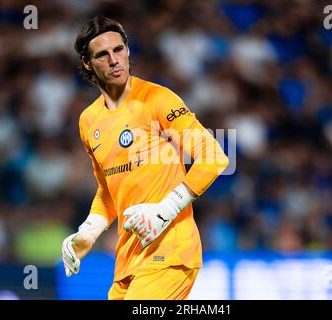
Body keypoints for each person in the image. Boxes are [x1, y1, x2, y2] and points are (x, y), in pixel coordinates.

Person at [62, 16, 229, 300]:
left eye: (119, 49)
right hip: (128, 258)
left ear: (128, 50)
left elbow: (213, 157)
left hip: (171, 251)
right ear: (88, 64)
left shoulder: (158, 99)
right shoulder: (88, 121)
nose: (114, 60)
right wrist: (89, 230)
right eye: (103, 54)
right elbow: (108, 188)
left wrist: (165, 209)